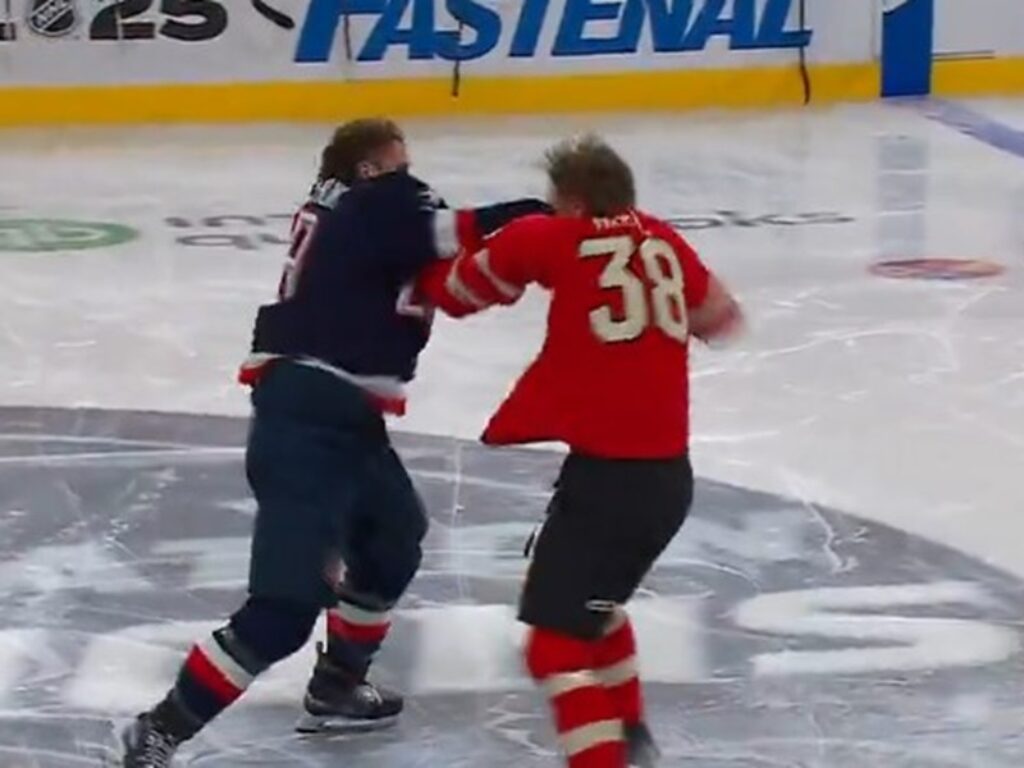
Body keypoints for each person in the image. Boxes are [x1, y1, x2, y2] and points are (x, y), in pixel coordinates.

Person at [121, 118, 550, 767]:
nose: (412, 179)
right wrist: (541, 214)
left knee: (391, 538)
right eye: (399, 165)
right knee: (284, 607)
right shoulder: (374, 203)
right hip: (308, 415)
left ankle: (337, 686)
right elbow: (455, 230)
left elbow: (442, 266)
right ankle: (160, 729)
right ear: (370, 170)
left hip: (340, 413)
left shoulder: (347, 212)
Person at [418, 135, 743, 767]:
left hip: (608, 483)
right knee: (595, 611)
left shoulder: (548, 236)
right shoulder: (663, 239)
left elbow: (456, 293)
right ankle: (632, 738)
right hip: (666, 480)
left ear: (569, 201)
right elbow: (721, 317)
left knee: (554, 648)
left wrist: (406, 257)